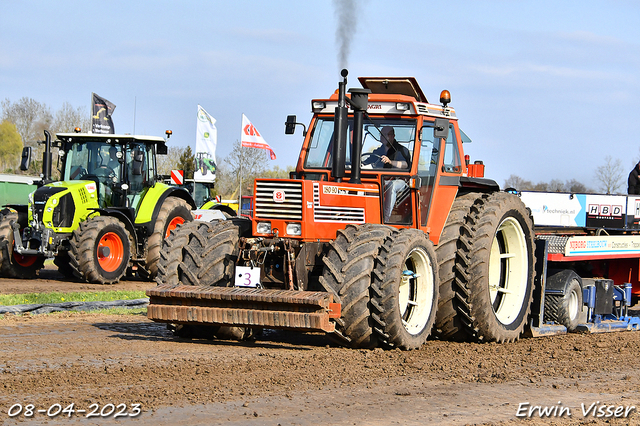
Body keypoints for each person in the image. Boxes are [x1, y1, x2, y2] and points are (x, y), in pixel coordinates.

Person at [364, 126, 412, 222]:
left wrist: (390, 162)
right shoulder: (378, 151)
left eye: (386, 135)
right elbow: (366, 163)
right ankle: (369, 218)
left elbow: (405, 165)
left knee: (392, 185)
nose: (383, 137)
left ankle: (385, 220)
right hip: (381, 181)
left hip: (399, 181)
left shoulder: (402, 150)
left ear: (393, 136)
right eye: (382, 135)